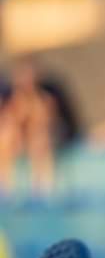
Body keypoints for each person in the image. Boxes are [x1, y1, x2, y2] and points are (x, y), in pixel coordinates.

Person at [0, 57, 57, 195]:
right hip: (18, 137)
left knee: (39, 139)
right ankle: (5, 187)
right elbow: (10, 119)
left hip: (41, 137)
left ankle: (42, 188)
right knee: (6, 136)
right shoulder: (10, 94)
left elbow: (46, 121)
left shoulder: (46, 94)